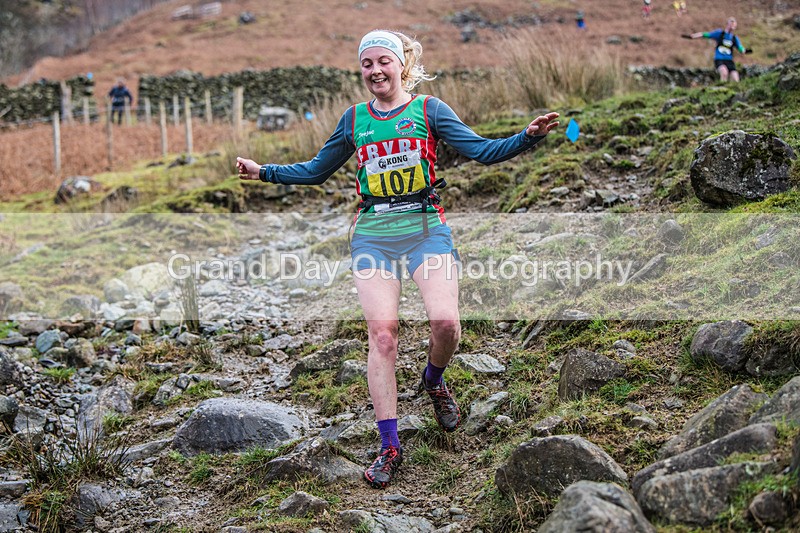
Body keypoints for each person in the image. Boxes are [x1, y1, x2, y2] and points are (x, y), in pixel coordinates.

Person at [236, 29, 558, 489]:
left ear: (401, 65)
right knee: (383, 337)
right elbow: (314, 170)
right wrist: (263, 171)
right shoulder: (353, 120)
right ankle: (389, 445)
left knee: (445, 324)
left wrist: (526, 137)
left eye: (383, 61)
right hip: (373, 234)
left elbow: (482, 151)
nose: (375, 71)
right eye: (367, 65)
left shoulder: (429, 110)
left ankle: (434, 379)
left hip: (426, 228)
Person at [688, 17, 748, 82]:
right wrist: (694, 36)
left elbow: (740, 47)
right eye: (731, 24)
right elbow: (706, 34)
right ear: (728, 24)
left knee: (735, 77)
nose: (732, 26)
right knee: (724, 72)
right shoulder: (720, 33)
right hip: (719, 59)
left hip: (729, 60)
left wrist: (743, 51)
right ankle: (722, 88)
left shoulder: (734, 38)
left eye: (734, 25)